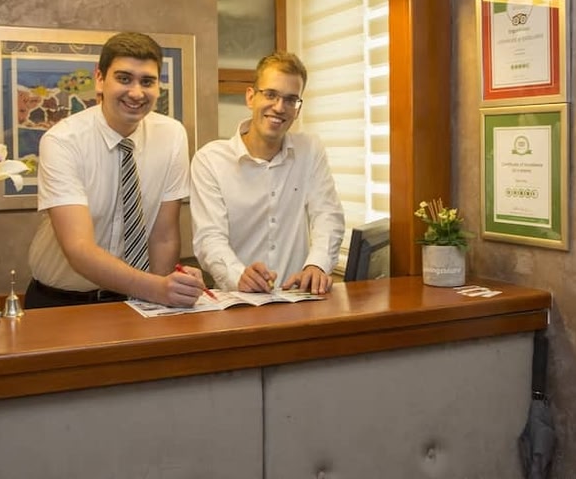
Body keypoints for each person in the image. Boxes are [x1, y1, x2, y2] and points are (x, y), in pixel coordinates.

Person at [25, 31, 205, 309]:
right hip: (62, 302)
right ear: (100, 79)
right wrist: (158, 289)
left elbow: (164, 236)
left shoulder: (172, 135)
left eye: (147, 81)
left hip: (137, 301)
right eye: (124, 78)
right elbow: (79, 249)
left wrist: (165, 295)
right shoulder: (62, 141)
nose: (136, 92)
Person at [190, 51, 345, 295]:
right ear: (251, 97)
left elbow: (327, 215)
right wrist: (239, 276)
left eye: (291, 100)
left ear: (298, 108)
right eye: (271, 94)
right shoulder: (210, 160)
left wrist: (317, 265)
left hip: (297, 298)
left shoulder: (310, 150)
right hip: (237, 301)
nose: (280, 107)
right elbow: (209, 238)